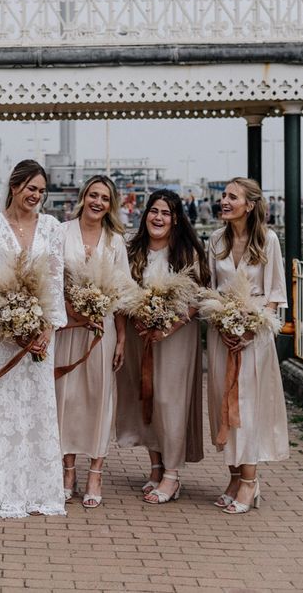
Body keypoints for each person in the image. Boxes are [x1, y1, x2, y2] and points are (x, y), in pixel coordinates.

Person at [0, 160, 67, 518]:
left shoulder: (52, 227)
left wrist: (46, 328)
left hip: (41, 333)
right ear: (15, 186)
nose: (35, 196)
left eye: (40, 190)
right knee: (5, 398)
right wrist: (11, 325)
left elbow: (55, 282)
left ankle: (39, 489)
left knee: (39, 402)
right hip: (2, 331)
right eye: (29, 188)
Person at [116, 189, 207, 504]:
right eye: (153, 211)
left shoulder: (187, 253)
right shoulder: (132, 249)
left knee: (171, 401)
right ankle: (155, 466)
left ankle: (172, 475)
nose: (158, 218)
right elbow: (121, 289)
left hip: (176, 339)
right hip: (140, 336)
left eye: (165, 213)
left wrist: (171, 324)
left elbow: (198, 297)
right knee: (148, 400)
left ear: (176, 219)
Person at [206, 177, 289, 515]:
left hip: (254, 338)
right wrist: (222, 322)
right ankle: (234, 476)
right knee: (221, 404)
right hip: (221, 334)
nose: (224, 201)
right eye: (224, 196)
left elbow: (275, 295)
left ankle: (250, 481)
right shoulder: (215, 240)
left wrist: (251, 329)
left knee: (247, 407)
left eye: (232, 197)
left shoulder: (267, 241)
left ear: (250, 205)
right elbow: (210, 289)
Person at [55, 176, 129, 509]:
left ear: (110, 205)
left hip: (103, 327)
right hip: (69, 326)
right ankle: (67, 470)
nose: (97, 202)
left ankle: (95, 471)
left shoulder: (115, 241)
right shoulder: (61, 231)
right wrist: (72, 311)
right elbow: (51, 278)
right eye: (93, 195)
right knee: (67, 396)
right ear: (83, 197)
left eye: (104, 198)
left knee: (100, 397)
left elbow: (123, 290)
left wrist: (122, 338)